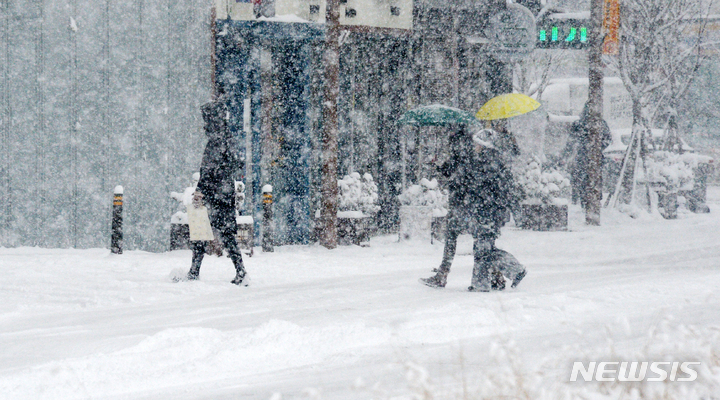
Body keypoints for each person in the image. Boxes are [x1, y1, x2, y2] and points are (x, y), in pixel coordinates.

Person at [420, 125, 526, 292]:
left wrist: (459, 185)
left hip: (486, 212)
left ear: (484, 145)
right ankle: (483, 283)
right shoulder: (490, 161)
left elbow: (473, 184)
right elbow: (505, 188)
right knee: (482, 248)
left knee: (484, 249)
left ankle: (514, 270)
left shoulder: (485, 162)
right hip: (487, 212)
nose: (474, 146)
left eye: (477, 144)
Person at [186, 96, 248, 285]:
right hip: (224, 192)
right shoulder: (228, 139)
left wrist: (200, 191)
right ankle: (240, 271)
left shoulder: (216, 142)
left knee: (201, 233)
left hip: (215, 194)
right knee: (226, 234)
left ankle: (194, 272)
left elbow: (208, 171)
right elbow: (235, 164)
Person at [560, 103, 612, 209]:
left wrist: (569, 153)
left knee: (581, 179)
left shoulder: (579, 123)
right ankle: (593, 200)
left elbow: (571, 141)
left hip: (582, 156)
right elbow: (608, 139)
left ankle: (583, 200)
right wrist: (599, 147)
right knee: (594, 180)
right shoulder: (600, 123)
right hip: (594, 157)